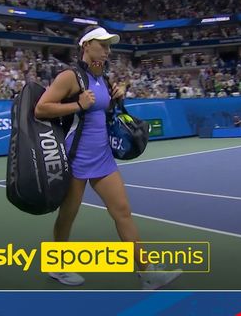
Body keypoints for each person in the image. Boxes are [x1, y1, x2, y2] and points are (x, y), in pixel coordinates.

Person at [34, 26, 182, 290]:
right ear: (87, 45)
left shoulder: (103, 77)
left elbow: (103, 110)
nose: (108, 50)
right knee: (68, 216)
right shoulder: (70, 76)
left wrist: (119, 93)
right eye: (103, 45)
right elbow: (41, 108)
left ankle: (146, 273)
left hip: (102, 157)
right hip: (76, 157)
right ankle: (56, 266)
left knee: (123, 212)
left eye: (109, 46)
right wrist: (77, 105)